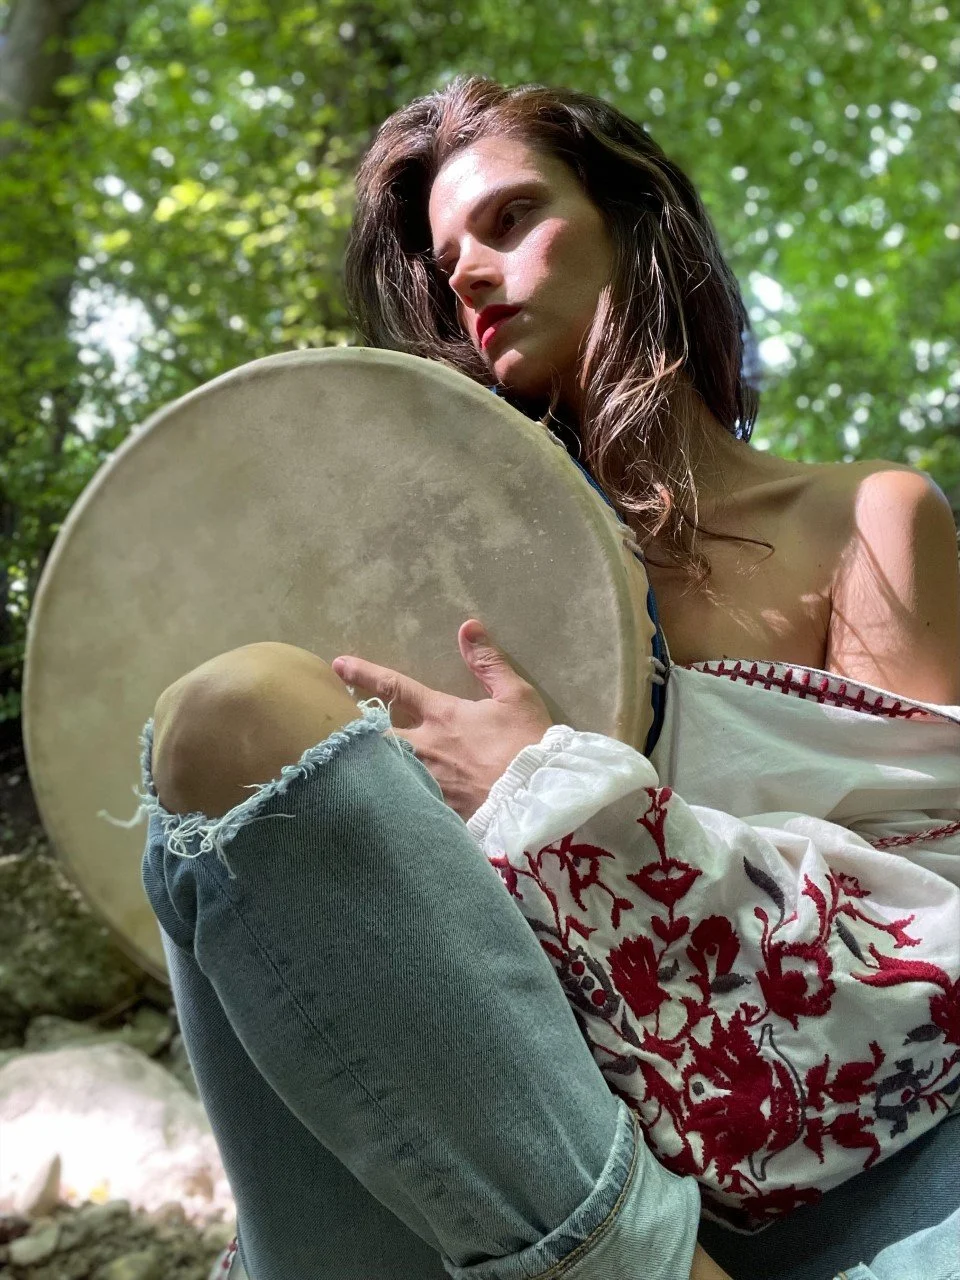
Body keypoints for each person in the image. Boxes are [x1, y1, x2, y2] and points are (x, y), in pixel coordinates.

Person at [133, 78, 959, 1280]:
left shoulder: (863, 520)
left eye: (512, 217)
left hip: (833, 1168)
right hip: (505, 1157)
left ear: (636, 222)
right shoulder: (440, 591)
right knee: (226, 713)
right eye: (445, 262)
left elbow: (925, 926)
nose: (469, 273)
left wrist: (548, 786)